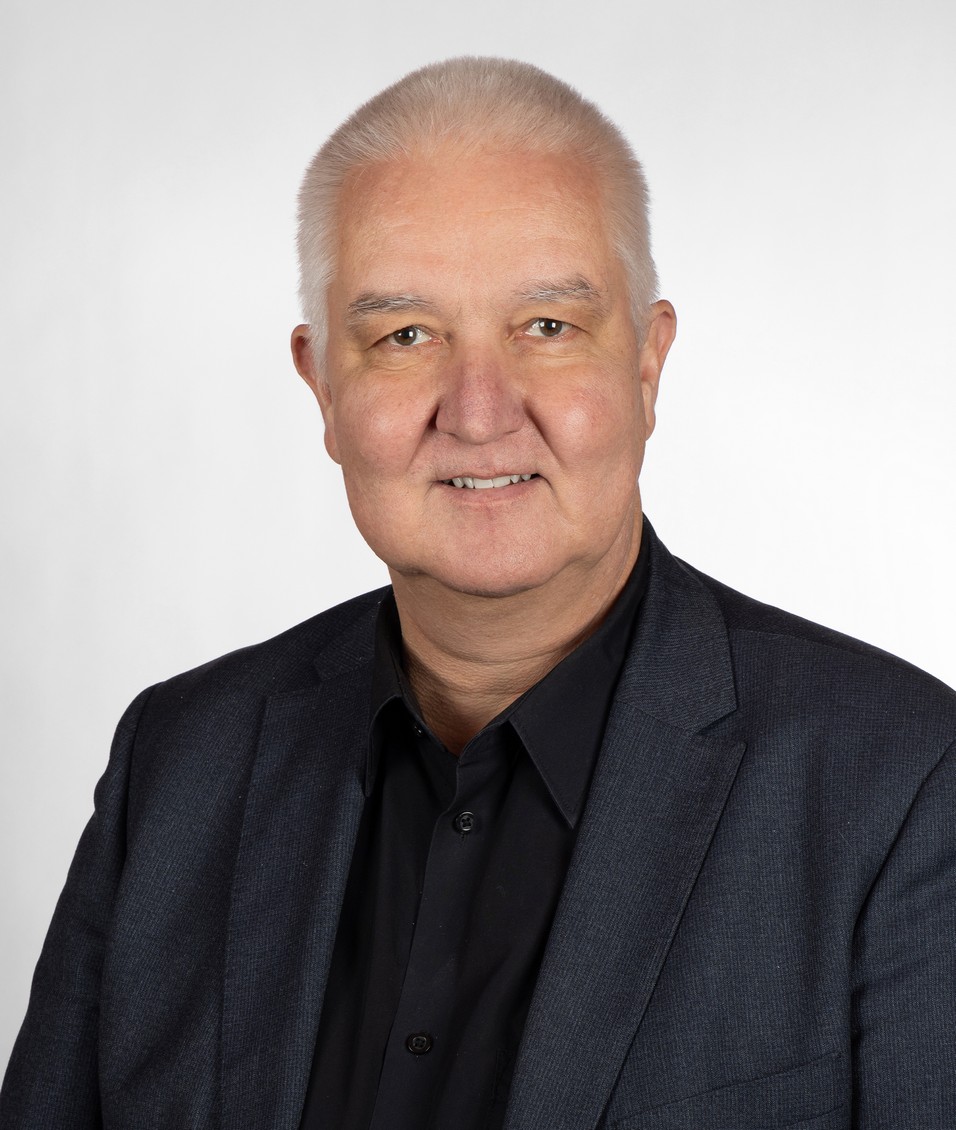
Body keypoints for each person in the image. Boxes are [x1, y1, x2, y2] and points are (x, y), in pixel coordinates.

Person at [2, 56, 954, 1130]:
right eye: (405, 335)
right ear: (322, 386)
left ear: (647, 366)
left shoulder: (904, 784)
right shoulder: (178, 764)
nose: (478, 410)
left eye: (547, 326)